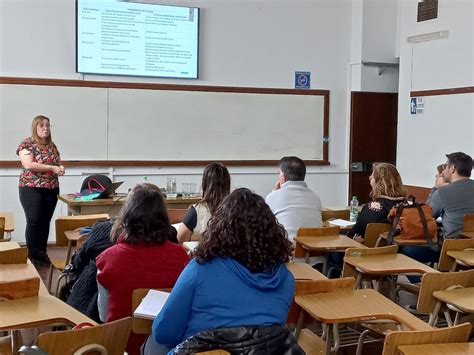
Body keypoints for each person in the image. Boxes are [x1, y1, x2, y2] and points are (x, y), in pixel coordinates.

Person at [142, 188, 295, 354]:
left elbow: (164, 333)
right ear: (271, 232)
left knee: (152, 343)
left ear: (220, 228)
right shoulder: (285, 279)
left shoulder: (199, 270)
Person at [96, 183, 189, 355]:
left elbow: (103, 316)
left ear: (126, 219)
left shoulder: (107, 259)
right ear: (163, 219)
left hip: (121, 346)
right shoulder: (182, 258)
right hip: (167, 348)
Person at [402, 152, 474, 265]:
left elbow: (425, 216)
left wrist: (436, 187)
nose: (443, 171)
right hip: (471, 250)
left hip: (450, 250)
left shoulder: (443, 192)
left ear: (452, 168)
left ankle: (426, 282)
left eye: (445, 166)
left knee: (406, 251)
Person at [16, 115, 65, 267]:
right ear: (35, 128)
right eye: (42, 126)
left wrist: (61, 168)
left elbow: (57, 162)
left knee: (45, 222)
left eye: (48, 125)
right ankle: (32, 256)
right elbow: (29, 164)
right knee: (34, 221)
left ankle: (42, 254)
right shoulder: (27, 143)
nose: (45, 128)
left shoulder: (52, 145)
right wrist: (51, 168)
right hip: (31, 188)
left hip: (51, 188)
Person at [265, 156, 322, 242]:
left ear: (283, 178)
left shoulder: (272, 197)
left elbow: (266, 224)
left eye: (279, 173)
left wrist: (274, 192)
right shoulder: (315, 197)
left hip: (287, 252)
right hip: (316, 251)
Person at [348, 162, 406, 243]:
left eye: (372, 177)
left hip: (367, 251)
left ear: (380, 183)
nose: (369, 177)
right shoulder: (408, 206)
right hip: (395, 251)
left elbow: (353, 233)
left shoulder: (370, 208)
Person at [177, 162, 231, 244]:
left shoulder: (197, 210)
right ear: (227, 184)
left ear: (205, 184)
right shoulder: (234, 209)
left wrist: (195, 238)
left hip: (202, 255)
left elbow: (179, 240)